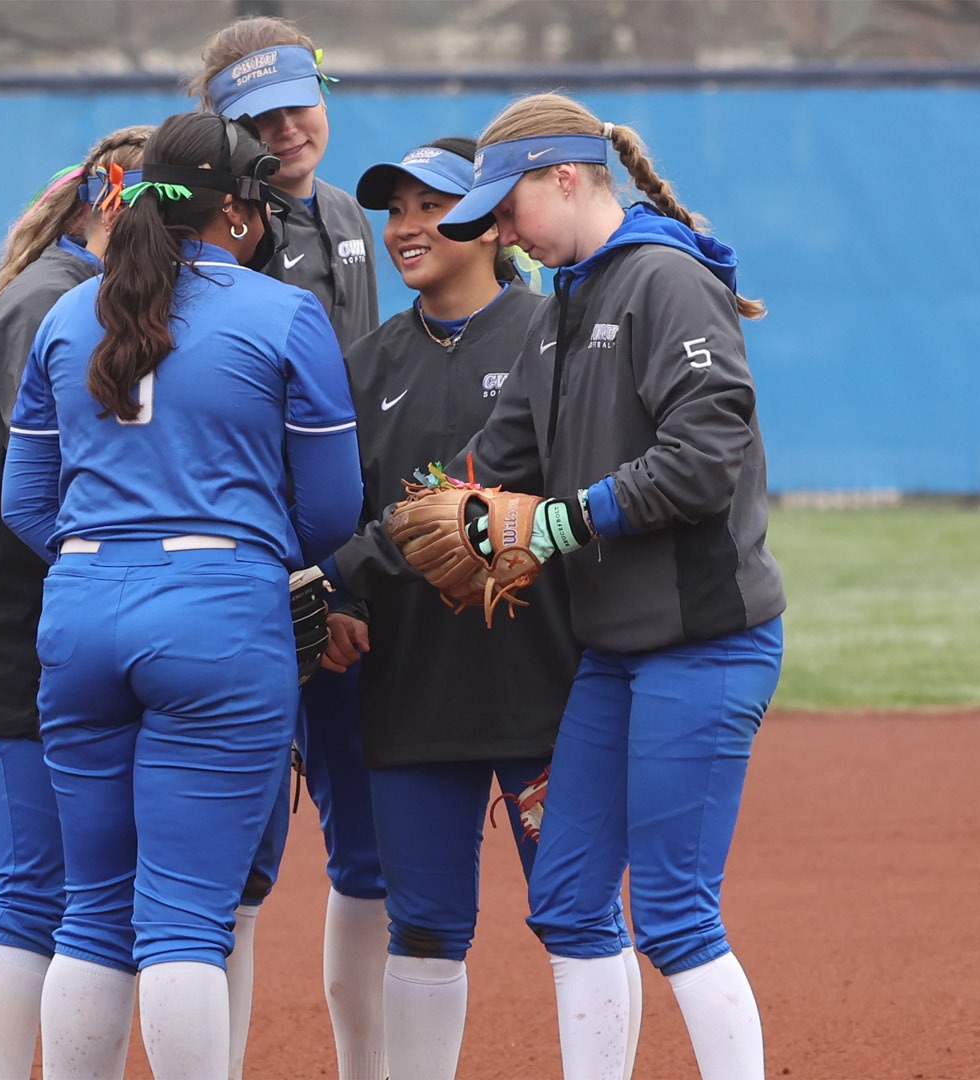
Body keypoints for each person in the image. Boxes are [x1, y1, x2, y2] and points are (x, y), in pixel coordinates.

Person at [403, 92, 786, 1080]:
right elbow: (499, 462)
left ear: (565, 179)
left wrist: (567, 521)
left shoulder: (665, 280)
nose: (498, 231)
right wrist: (421, 522)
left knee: (672, 912)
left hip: (703, 642)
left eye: (507, 206)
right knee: (569, 899)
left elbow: (706, 456)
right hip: (617, 653)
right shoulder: (567, 300)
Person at [0, 110, 362, 1080]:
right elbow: (332, 511)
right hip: (218, 613)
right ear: (241, 212)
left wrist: (108, 555)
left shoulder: (68, 314)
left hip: (80, 608)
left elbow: (26, 505)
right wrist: (236, 559)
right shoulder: (285, 314)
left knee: (92, 911)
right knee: (185, 922)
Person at [324, 137, 644, 1080]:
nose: (408, 228)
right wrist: (336, 592)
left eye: (433, 207)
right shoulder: (365, 364)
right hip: (412, 680)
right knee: (422, 926)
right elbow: (339, 510)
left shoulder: (556, 332)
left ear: (492, 222)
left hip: (544, 680)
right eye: (395, 212)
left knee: (580, 913)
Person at [190, 17, 386, 1080]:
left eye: (296, 103)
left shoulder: (352, 215)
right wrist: (309, 572)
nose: (284, 129)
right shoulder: (234, 228)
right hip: (260, 573)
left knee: (368, 849)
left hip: (341, 563)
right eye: (255, 119)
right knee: (234, 865)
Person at [0, 124, 150, 1080]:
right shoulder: (47, 307)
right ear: (114, 204)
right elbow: (59, 490)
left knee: (75, 894)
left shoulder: (71, 296)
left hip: (59, 624)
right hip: (18, 633)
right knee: (33, 893)